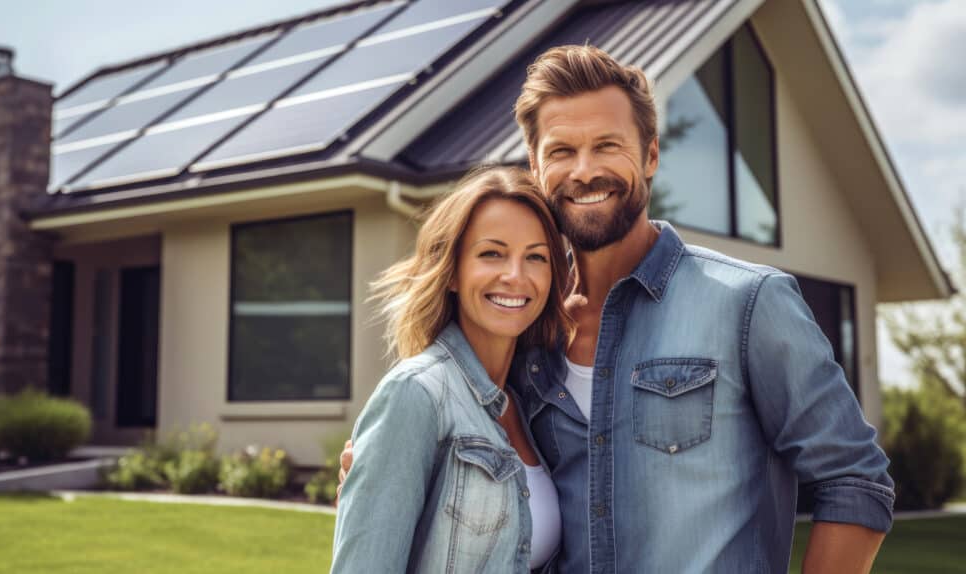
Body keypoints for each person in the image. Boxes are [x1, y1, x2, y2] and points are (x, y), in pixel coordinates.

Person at [340, 45, 895, 573]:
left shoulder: (747, 303)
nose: (584, 171)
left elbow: (855, 478)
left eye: (607, 145)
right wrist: (387, 471)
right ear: (535, 168)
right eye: (561, 151)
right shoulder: (529, 335)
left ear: (650, 155)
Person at [331, 167, 574, 573]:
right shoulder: (416, 395)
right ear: (453, 272)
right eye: (492, 253)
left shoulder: (534, 402)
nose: (515, 276)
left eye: (536, 257)